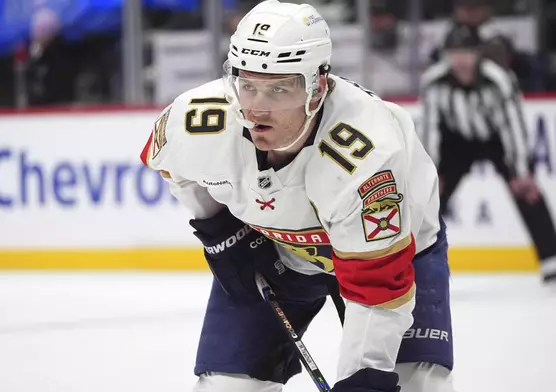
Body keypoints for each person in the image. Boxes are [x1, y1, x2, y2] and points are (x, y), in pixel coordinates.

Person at [140, 1, 455, 391]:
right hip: (274, 253)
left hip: (396, 255)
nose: (256, 108)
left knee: (415, 385)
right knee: (225, 386)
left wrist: (365, 376)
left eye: (278, 89)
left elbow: (376, 286)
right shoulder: (199, 119)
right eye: (248, 84)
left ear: (317, 87)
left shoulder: (368, 156)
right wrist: (217, 227)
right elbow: (170, 163)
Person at [419, 23, 556, 284]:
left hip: (495, 138)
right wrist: (432, 174)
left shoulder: (499, 78)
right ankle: (419, 263)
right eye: (455, 52)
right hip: (455, 141)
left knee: (527, 191)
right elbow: (431, 129)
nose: (461, 59)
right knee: (429, 200)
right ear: (447, 55)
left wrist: (521, 171)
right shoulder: (434, 81)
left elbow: (513, 125)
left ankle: (552, 260)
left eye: (467, 52)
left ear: (478, 53)